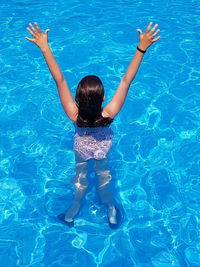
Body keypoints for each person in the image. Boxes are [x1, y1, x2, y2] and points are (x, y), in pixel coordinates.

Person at [25, 21, 160, 228]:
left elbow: (59, 80)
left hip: (81, 146)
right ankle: (111, 210)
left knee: (80, 179)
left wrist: (45, 47)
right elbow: (126, 80)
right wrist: (141, 48)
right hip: (103, 147)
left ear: (77, 99)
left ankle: (72, 212)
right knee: (103, 178)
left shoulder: (74, 114)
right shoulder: (109, 113)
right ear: (104, 97)